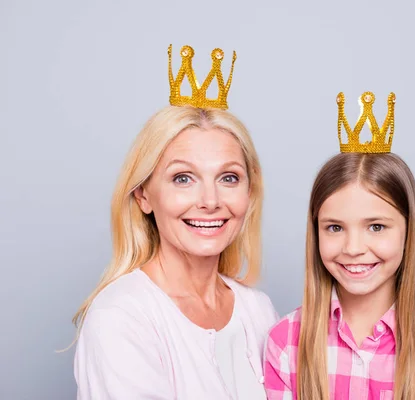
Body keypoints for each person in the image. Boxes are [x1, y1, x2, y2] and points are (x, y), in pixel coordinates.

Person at [73, 44, 278, 399]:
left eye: (228, 178)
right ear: (143, 195)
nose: (210, 201)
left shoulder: (258, 310)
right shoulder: (121, 316)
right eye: (183, 178)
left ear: (250, 193)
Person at [263, 92, 415, 399]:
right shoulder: (285, 341)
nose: (354, 247)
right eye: (335, 227)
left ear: (408, 232)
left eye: (376, 227)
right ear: (316, 232)